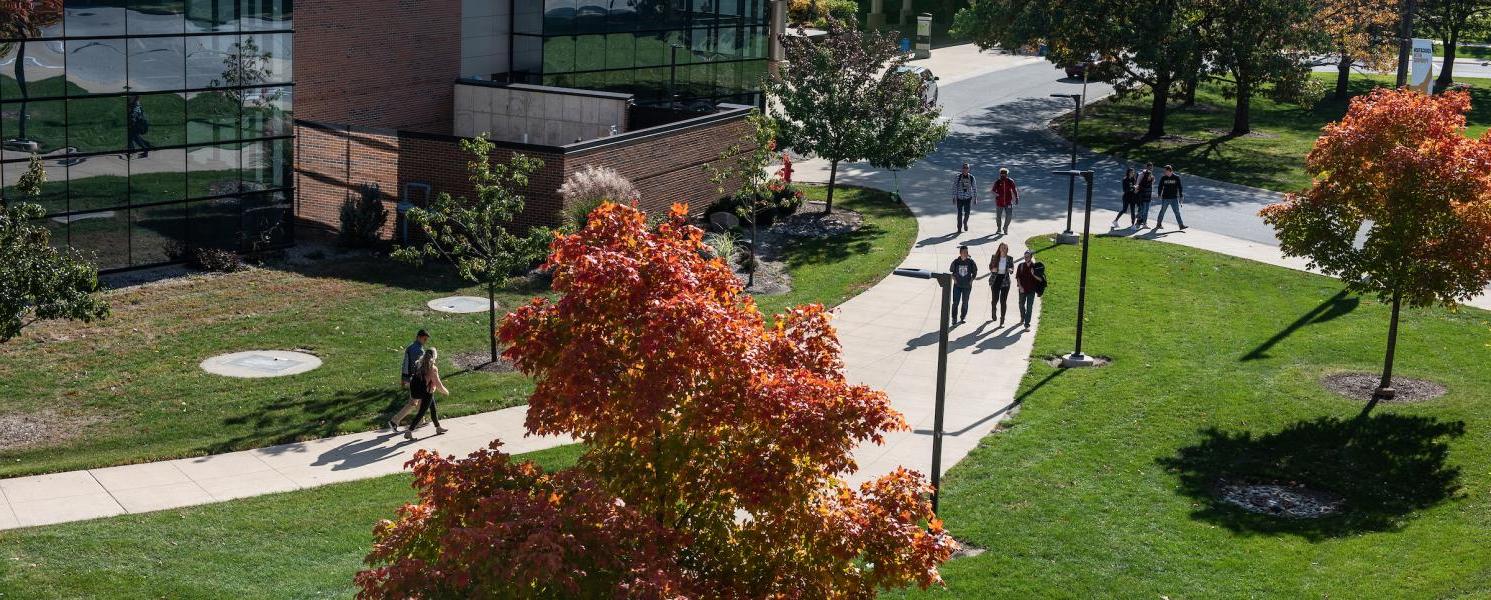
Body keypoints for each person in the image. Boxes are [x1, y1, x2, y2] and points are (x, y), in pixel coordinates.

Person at [405, 348, 450, 439]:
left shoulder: (419, 363)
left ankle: (438, 428)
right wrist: (446, 392)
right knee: (422, 412)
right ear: (434, 356)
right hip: (426, 392)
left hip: (418, 391)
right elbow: (438, 385)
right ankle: (409, 431)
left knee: (433, 408)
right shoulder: (433, 368)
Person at [389, 329, 429, 431]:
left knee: (419, 399)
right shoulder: (419, 350)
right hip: (416, 379)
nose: (425, 341)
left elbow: (405, 364)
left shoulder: (410, 347)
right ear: (419, 337)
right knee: (413, 402)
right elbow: (419, 367)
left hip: (410, 378)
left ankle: (421, 420)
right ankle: (394, 421)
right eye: (424, 339)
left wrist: (403, 378)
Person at [1015, 249, 1045, 332]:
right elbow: (1018, 277)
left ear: (1031, 257)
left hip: (1031, 290)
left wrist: (1033, 274)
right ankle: (1022, 317)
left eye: (1027, 256)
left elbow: (1040, 280)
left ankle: (1027, 324)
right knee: (1021, 304)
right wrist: (1020, 287)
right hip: (1022, 289)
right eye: (1024, 256)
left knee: (1029, 307)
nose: (1025, 258)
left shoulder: (1036, 267)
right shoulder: (1020, 266)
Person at [988, 242, 1014, 326]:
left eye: (1005, 248)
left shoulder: (1009, 258)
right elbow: (990, 267)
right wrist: (993, 269)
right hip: (995, 280)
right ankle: (993, 310)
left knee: (1003, 301)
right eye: (1002, 247)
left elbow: (1012, 268)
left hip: (1005, 281)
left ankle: (1002, 319)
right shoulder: (994, 257)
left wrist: (1010, 270)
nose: (1003, 249)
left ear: (1007, 249)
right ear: (999, 248)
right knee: (995, 300)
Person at [1154, 164, 1187, 230]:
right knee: (1162, 211)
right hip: (1165, 198)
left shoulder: (1176, 177)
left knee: (1177, 212)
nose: (1164, 172)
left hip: (1174, 198)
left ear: (1169, 171)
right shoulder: (1163, 178)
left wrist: (1181, 196)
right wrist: (1159, 194)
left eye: (1165, 171)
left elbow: (1180, 187)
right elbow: (1160, 186)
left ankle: (1181, 225)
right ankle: (1158, 224)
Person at [951, 163, 978, 233]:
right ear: (962, 169)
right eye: (964, 168)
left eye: (966, 168)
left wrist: (975, 198)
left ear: (969, 169)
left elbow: (974, 188)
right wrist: (954, 197)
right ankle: (959, 228)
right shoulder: (958, 177)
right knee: (959, 214)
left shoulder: (972, 177)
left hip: (968, 198)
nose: (965, 169)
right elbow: (954, 187)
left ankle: (965, 222)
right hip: (959, 198)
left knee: (967, 213)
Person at [992, 168, 1019, 235]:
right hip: (999, 202)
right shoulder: (998, 182)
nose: (1003, 176)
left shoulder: (1010, 181)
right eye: (1001, 174)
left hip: (1008, 202)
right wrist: (996, 194)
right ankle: (999, 228)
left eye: (1004, 174)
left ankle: (1005, 227)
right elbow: (993, 190)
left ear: (1007, 174)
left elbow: (1014, 189)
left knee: (1009, 216)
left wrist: (1017, 197)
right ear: (1000, 174)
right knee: (998, 216)